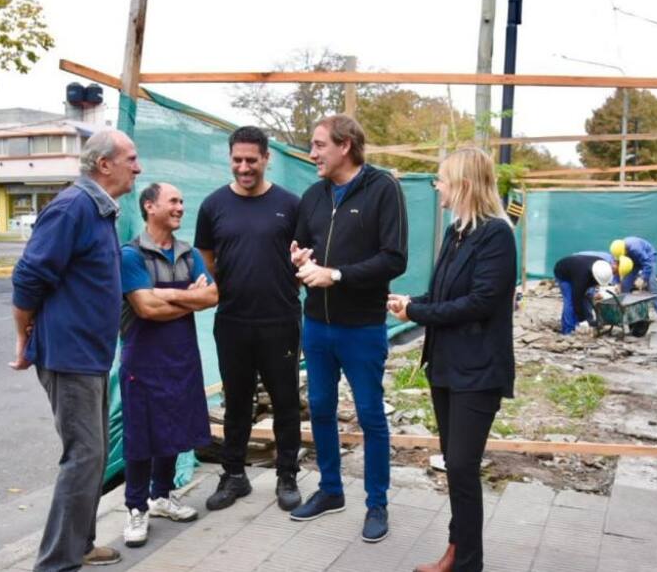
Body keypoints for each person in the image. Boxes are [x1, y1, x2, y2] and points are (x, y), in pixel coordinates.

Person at [10, 129, 140, 571]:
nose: (137, 167)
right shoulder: (72, 207)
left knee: (94, 456)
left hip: (90, 356)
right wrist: (23, 336)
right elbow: (28, 276)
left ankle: (80, 544)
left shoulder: (99, 210)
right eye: (131, 158)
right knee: (82, 457)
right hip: (69, 356)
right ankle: (55, 564)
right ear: (104, 164)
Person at [387, 148, 516, 572]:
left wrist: (419, 312)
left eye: (441, 179)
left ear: (462, 184)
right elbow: (445, 295)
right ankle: (457, 552)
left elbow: (479, 302)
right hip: (445, 365)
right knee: (456, 468)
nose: (436, 186)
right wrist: (411, 302)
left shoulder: (497, 234)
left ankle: (467, 562)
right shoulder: (456, 233)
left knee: (462, 467)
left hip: (478, 371)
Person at [288, 114, 408, 543]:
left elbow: (394, 259)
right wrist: (301, 259)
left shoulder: (383, 189)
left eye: (319, 145)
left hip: (361, 327)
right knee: (319, 408)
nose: (312, 153)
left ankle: (377, 503)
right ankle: (331, 490)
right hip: (317, 326)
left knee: (371, 415)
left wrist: (335, 275)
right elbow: (304, 249)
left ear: (346, 146)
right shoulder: (313, 196)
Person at [194, 126, 303, 512]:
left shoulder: (290, 205)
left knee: (286, 402)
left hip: (281, 319)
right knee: (237, 402)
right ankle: (234, 475)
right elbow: (206, 261)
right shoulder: (213, 206)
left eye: (251, 160)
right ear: (230, 158)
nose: (244, 167)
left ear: (266, 158)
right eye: (237, 160)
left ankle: (287, 475)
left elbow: (304, 256)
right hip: (233, 321)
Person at [118, 182, 217, 548]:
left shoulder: (189, 253)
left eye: (181, 201)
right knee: (141, 435)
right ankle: (135, 507)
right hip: (142, 362)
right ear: (149, 207)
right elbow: (146, 309)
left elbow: (213, 296)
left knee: (174, 427)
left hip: (181, 358)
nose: (180, 207)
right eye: (173, 201)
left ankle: (161, 497)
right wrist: (190, 296)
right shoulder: (131, 255)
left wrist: (169, 294)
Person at [553, 253, 616, 335]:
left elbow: (592, 286)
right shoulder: (582, 277)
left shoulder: (603, 266)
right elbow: (576, 299)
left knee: (587, 296)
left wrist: (597, 293)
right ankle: (568, 330)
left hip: (577, 269)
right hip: (563, 272)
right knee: (570, 302)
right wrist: (582, 320)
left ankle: (587, 321)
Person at [610, 236, 657, 318]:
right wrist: (617, 282)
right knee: (625, 284)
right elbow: (617, 268)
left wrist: (643, 278)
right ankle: (627, 310)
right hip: (633, 262)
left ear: (625, 250)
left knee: (651, 283)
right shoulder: (617, 252)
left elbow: (647, 264)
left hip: (649, 258)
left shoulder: (636, 249)